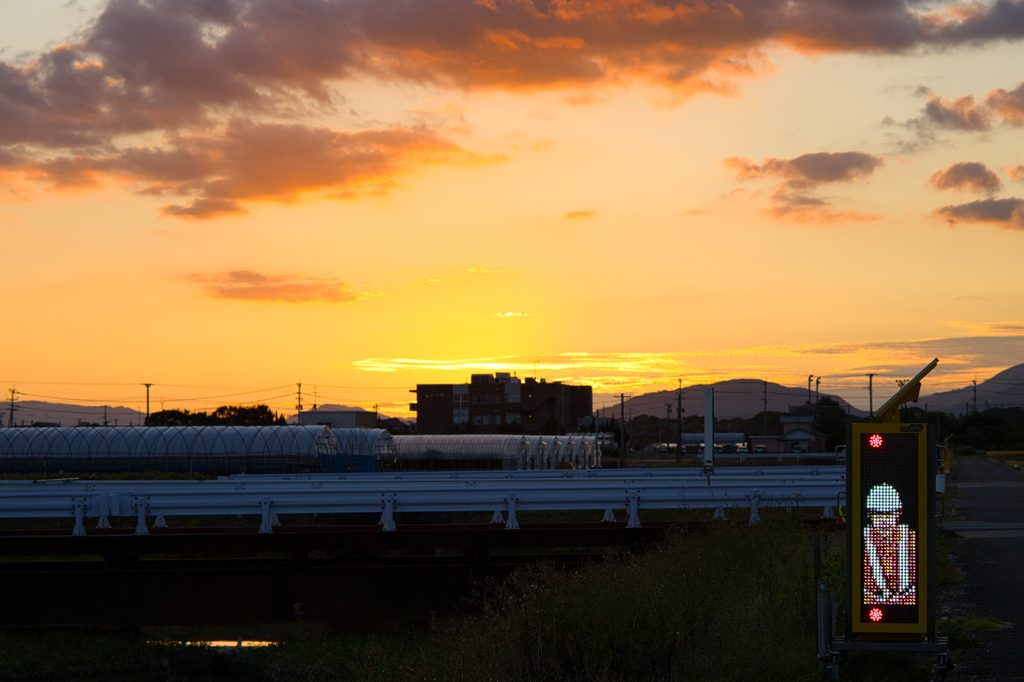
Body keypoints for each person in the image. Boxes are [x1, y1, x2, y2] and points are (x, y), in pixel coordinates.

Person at [863, 483, 917, 605]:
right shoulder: (863, 542)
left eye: (889, 514)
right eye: (878, 514)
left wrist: (903, 599)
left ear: (898, 514)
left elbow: (920, 582)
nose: (883, 520)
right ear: (870, 516)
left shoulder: (911, 540)